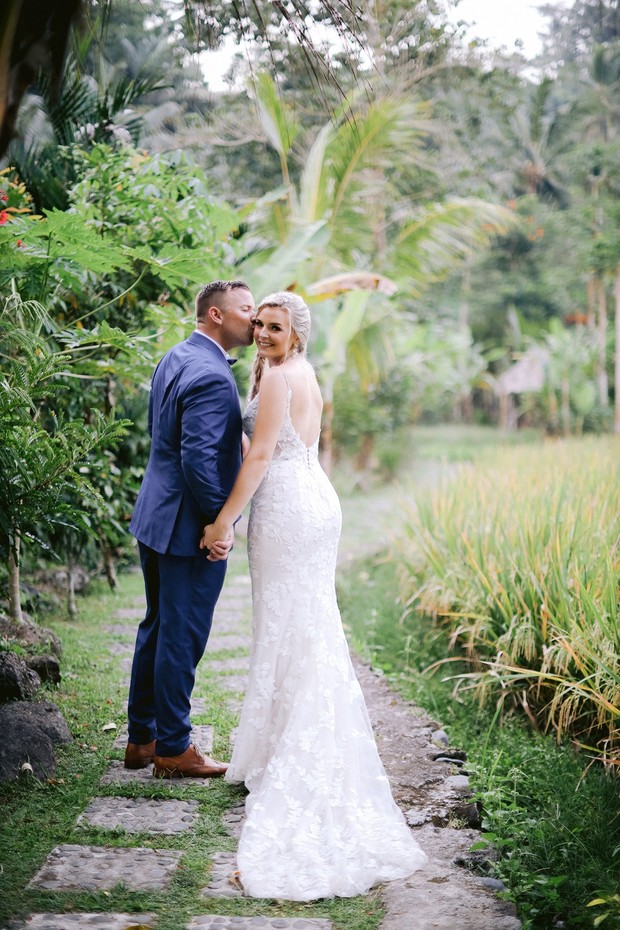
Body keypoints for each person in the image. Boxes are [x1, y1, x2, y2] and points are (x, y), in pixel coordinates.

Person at [201, 291, 427, 900]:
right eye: (261, 326)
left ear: (296, 334)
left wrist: (224, 522)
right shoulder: (301, 373)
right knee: (303, 626)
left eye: (277, 328)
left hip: (289, 510)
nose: (266, 335)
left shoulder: (279, 377)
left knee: (288, 625)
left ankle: (292, 752)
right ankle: (278, 743)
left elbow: (262, 456)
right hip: (312, 501)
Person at [125, 280, 255, 779]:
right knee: (182, 634)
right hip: (186, 526)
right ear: (217, 315)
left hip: (156, 515)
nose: (254, 318)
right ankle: (175, 747)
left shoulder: (176, 356)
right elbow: (199, 458)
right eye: (246, 309)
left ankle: (143, 738)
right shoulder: (211, 373)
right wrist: (216, 523)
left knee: (157, 627)